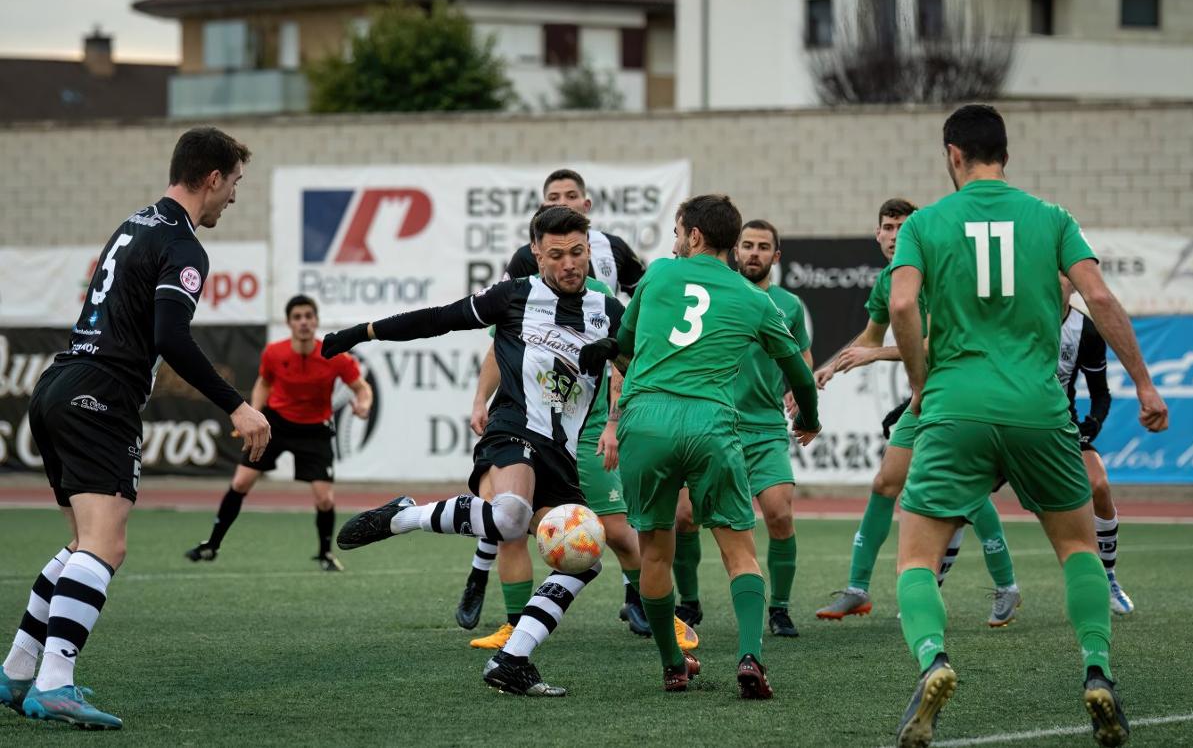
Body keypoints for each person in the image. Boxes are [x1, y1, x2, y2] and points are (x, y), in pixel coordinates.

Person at [887, 104, 1167, 748]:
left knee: (918, 559)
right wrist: (1144, 384)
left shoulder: (926, 223)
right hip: (1040, 408)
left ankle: (934, 659)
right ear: (1004, 154)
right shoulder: (1052, 218)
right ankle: (1098, 672)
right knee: (1076, 548)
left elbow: (902, 303)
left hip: (955, 406)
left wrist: (920, 384)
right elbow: (1098, 298)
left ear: (953, 155)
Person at [0, 127, 270, 729]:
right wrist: (237, 405)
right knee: (106, 546)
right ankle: (55, 684)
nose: (234, 197)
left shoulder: (134, 222)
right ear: (211, 178)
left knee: (80, 546)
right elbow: (169, 337)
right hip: (101, 395)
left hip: (58, 385)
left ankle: (19, 672)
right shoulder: (184, 245)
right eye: (235, 184)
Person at [323, 206, 625, 697]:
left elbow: (640, 360)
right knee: (509, 519)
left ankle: (512, 661)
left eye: (577, 252)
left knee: (585, 557)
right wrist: (364, 332)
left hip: (562, 453)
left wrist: (615, 350)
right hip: (514, 428)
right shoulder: (515, 296)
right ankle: (406, 516)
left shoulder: (609, 310)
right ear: (536, 254)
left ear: (589, 249)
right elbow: (438, 319)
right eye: (556, 255)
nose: (569, 263)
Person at [581, 194, 821, 697]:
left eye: (677, 231)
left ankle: (673, 664)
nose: (674, 240)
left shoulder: (661, 274)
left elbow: (621, 346)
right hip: (712, 423)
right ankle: (750, 658)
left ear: (692, 236)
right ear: (733, 242)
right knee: (739, 551)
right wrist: (811, 418)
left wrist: (619, 357)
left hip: (646, 422)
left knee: (655, 554)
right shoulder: (756, 300)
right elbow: (799, 369)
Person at [458, 180, 658, 647]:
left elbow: (631, 343)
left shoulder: (614, 268)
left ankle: (644, 604)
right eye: (553, 198)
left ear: (587, 210)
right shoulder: (525, 269)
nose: (568, 261)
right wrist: (479, 400)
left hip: (591, 418)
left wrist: (613, 420)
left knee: (613, 529)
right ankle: (509, 618)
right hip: (539, 415)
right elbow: (500, 345)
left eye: (570, 197)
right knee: (511, 518)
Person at [812, 199, 1021, 628]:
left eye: (903, 227)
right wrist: (832, 363)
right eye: (887, 227)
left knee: (968, 491)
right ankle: (857, 588)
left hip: (961, 393)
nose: (894, 235)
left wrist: (876, 356)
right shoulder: (889, 279)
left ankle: (1007, 586)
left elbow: (935, 343)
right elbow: (869, 337)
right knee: (886, 482)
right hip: (926, 398)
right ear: (877, 234)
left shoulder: (937, 270)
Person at [669, 219, 812, 638]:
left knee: (780, 515)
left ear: (775, 256)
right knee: (685, 516)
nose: (753, 253)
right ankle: (690, 602)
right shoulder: (715, 295)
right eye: (746, 245)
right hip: (713, 424)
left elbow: (801, 358)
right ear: (734, 249)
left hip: (765, 427)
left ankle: (780, 609)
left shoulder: (789, 306)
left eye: (763, 247)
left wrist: (799, 395)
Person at [185, 295, 373, 571]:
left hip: (315, 430)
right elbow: (263, 383)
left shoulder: (334, 355)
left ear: (316, 321)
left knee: (324, 499)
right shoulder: (274, 353)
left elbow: (362, 388)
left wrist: (364, 406)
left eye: (309, 316)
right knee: (240, 483)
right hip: (277, 424)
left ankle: (325, 554)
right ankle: (212, 545)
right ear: (289, 323)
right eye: (297, 317)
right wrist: (254, 414)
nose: (304, 322)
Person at [1055, 278, 1133, 613]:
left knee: (1099, 483)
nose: (1055, 280)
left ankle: (1109, 577)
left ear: (1073, 283)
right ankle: (934, 585)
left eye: (1062, 274)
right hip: (1011, 424)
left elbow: (1101, 393)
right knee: (965, 499)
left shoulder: (1084, 330)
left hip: (1060, 426)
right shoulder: (1016, 318)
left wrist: (1094, 422)